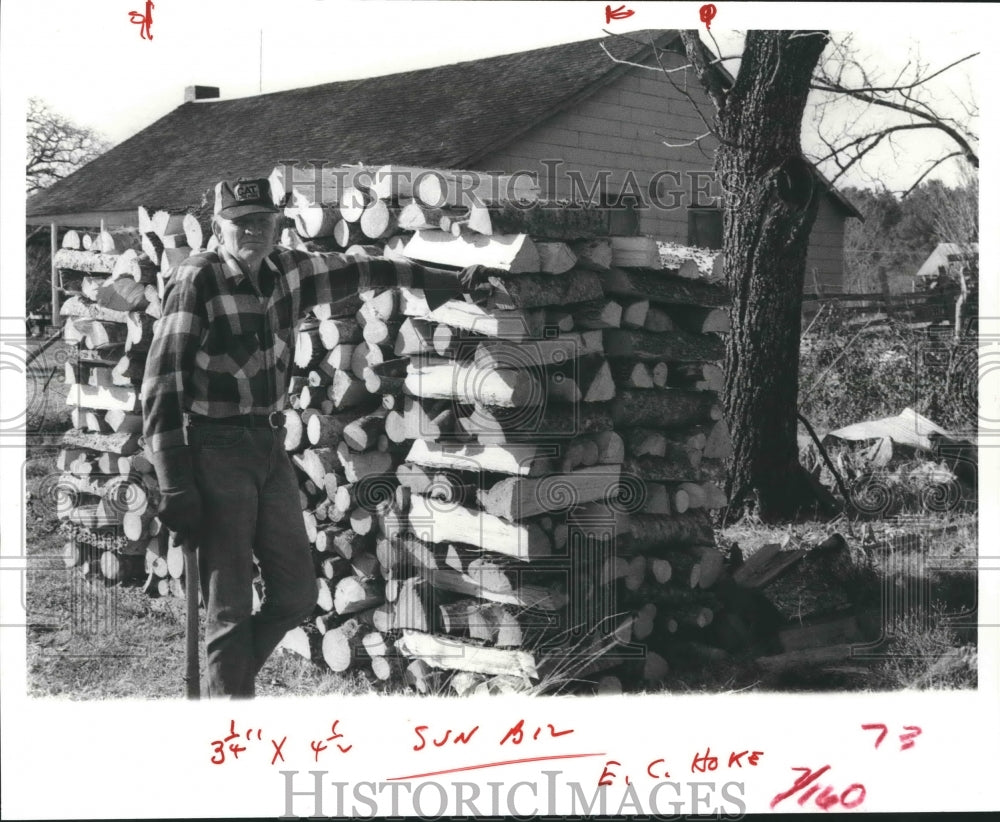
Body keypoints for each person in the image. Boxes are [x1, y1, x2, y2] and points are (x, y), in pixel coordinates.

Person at [142, 176, 491, 697]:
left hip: (269, 448)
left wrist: (438, 279)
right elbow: (160, 384)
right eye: (240, 223)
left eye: (261, 221)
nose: (251, 232)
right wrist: (174, 482)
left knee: (296, 595)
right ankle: (227, 712)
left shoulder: (288, 270)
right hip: (214, 451)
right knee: (230, 604)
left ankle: (224, 688)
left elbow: (363, 267)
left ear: (276, 223)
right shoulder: (198, 278)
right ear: (219, 226)